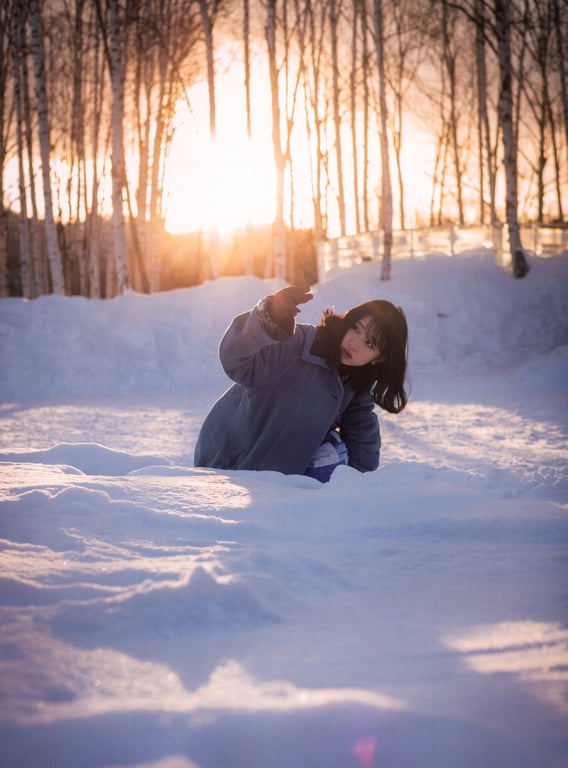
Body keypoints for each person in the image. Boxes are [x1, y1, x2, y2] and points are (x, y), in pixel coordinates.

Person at [194, 285, 408, 482]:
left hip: (273, 482)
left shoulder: (354, 387)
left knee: (333, 451)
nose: (354, 343)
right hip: (227, 460)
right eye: (356, 328)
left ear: (379, 358)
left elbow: (362, 446)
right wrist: (268, 318)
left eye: (369, 343)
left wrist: (355, 491)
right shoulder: (299, 343)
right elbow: (235, 360)